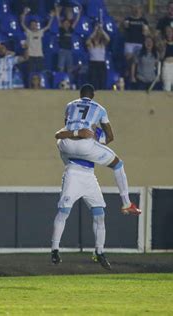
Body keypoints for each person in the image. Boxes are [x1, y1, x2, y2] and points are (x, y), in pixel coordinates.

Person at [56, 84, 142, 216]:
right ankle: (126, 203)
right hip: (86, 146)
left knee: (61, 145)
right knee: (118, 164)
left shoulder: (70, 105)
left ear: (80, 94)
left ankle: (71, 167)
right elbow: (110, 137)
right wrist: (99, 138)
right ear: (93, 95)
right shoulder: (100, 109)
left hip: (67, 144)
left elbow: (66, 128)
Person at [50, 136, 111, 270]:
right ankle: (55, 250)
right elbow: (62, 145)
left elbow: (106, 141)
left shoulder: (95, 131)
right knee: (64, 211)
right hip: (74, 172)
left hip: (90, 175)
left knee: (100, 214)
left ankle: (99, 252)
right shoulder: (67, 133)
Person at [20, 7, 54, 75]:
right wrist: (24, 13)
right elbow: (22, 23)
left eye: (35, 25)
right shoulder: (28, 32)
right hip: (30, 56)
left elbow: (48, 26)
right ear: (30, 26)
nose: (34, 26)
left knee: (40, 73)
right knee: (31, 73)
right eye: (32, 25)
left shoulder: (40, 32)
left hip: (39, 56)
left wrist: (52, 17)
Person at [122, 4, 150, 72]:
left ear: (141, 10)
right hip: (129, 42)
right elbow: (124, 29)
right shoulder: (128, 19)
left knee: (138, 60)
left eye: (138, 8)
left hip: (140, 43)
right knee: (128, 59)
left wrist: (146, 31)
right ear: (132, 10)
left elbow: (147, 33)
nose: (136, 10)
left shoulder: (143, 20)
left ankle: (136, 74)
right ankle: (127, 73)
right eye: (134, 8)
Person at [55, 4, 80, 75]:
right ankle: (60, 79)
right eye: (65, 23)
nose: (66, 24)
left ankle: (70, 81)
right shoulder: (61, 30)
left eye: (68, 23)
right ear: (63, 24)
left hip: (69, 50)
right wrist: (57, 11)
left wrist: (79, 13)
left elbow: (76, 21)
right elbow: (57, 18)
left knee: (70, 68)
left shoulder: (71, 30)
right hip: (62, 50)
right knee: (61, 67)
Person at [86, 24, 110, 90]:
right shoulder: (91, 44)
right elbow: (87, 41)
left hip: (101, 63)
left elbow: (108, 38)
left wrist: (102, 30)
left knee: (102, 79)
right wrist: (95, 31)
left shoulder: (102, 44)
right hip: (93, 63)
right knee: (93, 80)